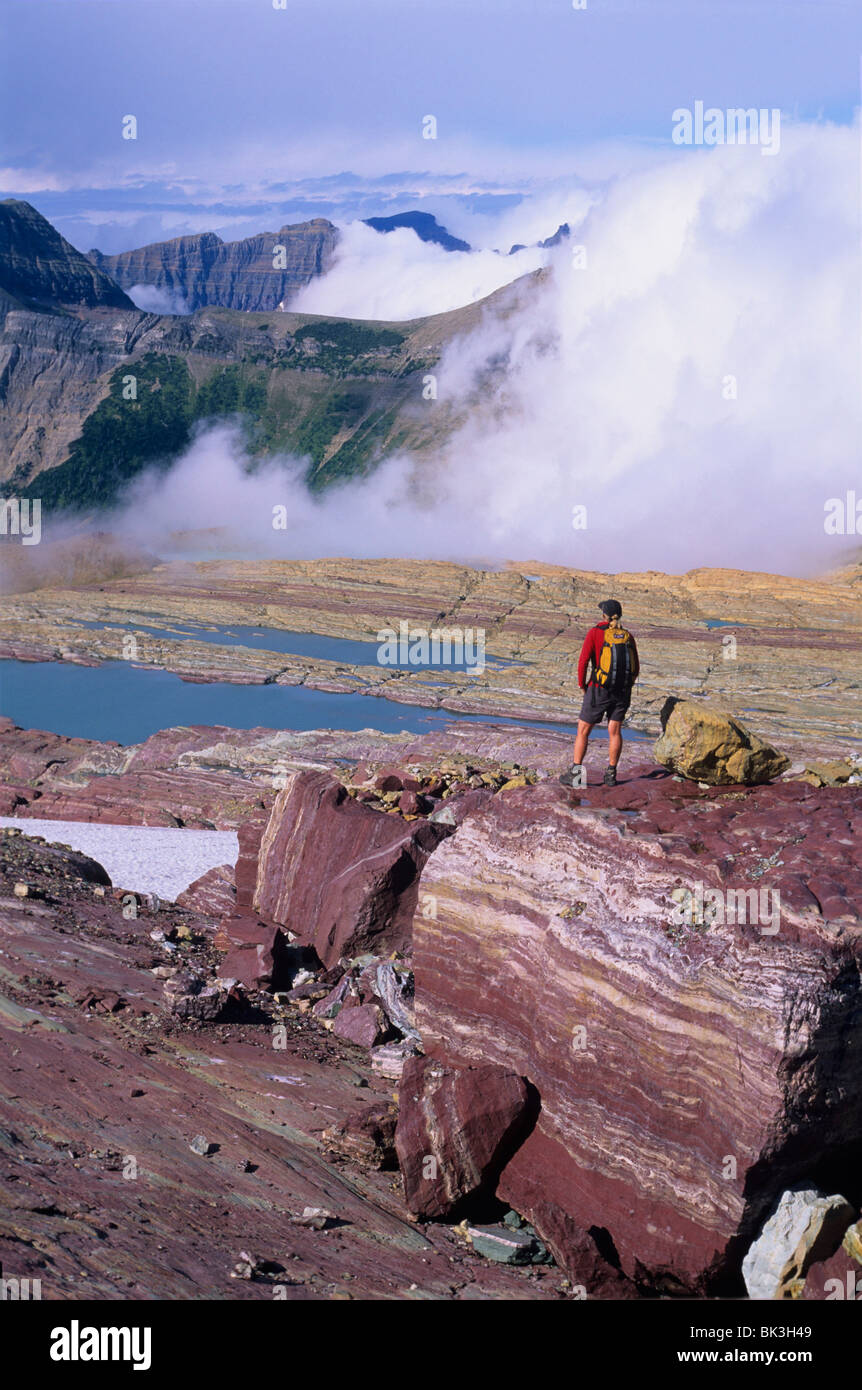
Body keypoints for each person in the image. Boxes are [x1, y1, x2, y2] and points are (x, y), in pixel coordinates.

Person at [559, 599, 639, 788]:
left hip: (598, 689)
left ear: (603, 615)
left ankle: (576, 776)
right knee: (615, 731)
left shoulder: (595, 632)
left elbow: (583, 661)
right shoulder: (627, 636)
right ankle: (611, 775)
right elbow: (636, 669)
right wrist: (626, 686)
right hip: (622, 691)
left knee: (583, 730)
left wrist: (582, 685)